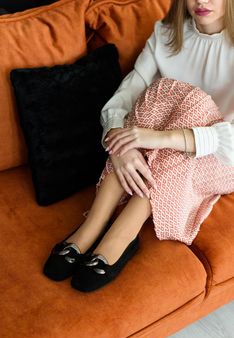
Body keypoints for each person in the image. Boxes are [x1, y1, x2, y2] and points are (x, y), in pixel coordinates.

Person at [44, 0, 234, 292]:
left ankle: (122, 234)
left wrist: (156, 138)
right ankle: (92, 225)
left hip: (219, 157)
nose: (202, 1)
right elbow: (129, 92)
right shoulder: (167, 33)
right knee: (158, 92)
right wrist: (121, 144)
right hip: (155, 143)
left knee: (193, 101)